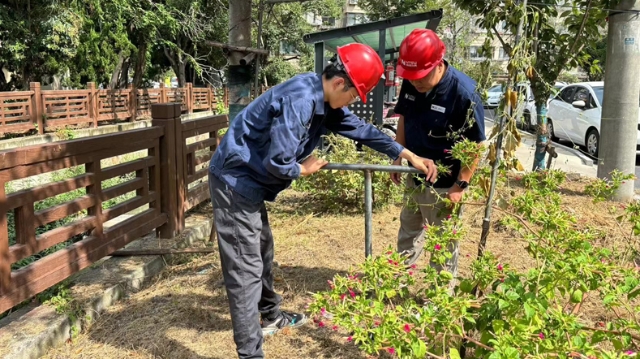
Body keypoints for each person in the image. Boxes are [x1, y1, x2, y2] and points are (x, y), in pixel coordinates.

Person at [208, 42, 439, 359]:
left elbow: (359, 129)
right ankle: (251, 354)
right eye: (354, 96)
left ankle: (272, 317)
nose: (352, 103)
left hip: (249, 181)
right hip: (235, 183)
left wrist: (404, 152)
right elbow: (278, 160)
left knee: (261, 250)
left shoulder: (321, 97)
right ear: (339, 83)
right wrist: (301, 169)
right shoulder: (303, 101)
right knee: (244, 273)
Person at [390, 29, 486, 274]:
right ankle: (398, 283)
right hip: (416, 176)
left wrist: (459, 187)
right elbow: (404, 117)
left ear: (438, 64)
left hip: (445, 184)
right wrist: (398, 155)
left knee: (442, 242)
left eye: (420, 75)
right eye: (410, 77)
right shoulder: (412, 82)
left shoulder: (463, 93)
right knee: (408, 232)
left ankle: (440, 297)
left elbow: (475, 145)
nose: (414, 81)